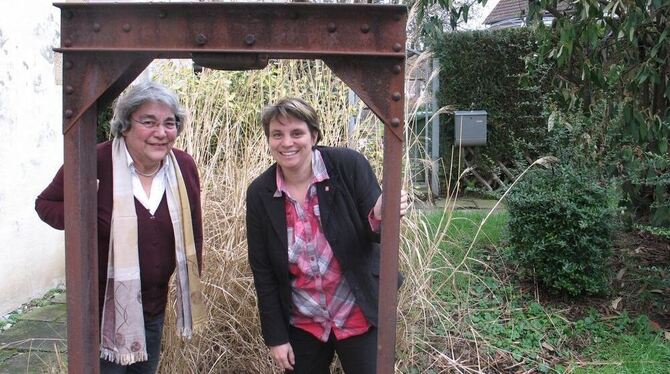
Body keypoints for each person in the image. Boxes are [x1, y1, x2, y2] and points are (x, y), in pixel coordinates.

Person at [35, 81, 206, 373]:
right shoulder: (94, 162)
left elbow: (195, 228)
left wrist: (192, 279)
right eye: (149, 122)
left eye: (169, 123)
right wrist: (87, 217)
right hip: (102, 311)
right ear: (125, 125)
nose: (161, 133)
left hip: (153, 306)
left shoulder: (183, 166)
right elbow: (46, 204)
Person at [246, 97, 408, 373]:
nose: (287, 143)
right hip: (303, 323)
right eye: (277, 135)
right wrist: (277, 338)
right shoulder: (260, 193)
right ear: (269, 140)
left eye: (297, 133)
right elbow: (263, 271)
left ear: (314, 135)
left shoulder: (347, 165)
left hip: (358, 313)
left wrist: (382, 212)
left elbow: (376, 228)